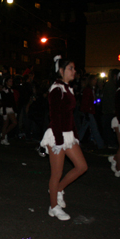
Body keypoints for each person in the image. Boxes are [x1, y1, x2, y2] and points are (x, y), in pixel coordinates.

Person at [40, 55, 88, 221]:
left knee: (82, 166)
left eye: (74, 68)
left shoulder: (68, 88)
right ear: (61, 71)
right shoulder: (56, 89)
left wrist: (74, 135)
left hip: (67, 134)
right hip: (56, 135)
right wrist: (59, 141)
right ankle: (53, 207)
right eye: (70, 68)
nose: (74, 71)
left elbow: (70, 115)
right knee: (56, 173)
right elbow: (55, 117)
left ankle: (58, 189)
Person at [78, 74, 105, 149]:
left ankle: (76, 141)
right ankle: (100, 145)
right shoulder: (88, 90)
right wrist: (87, 112)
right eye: (95, 80)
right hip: (88, 112)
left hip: (89, 111)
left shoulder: (91, 89)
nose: (96, 81)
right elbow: (86, 102)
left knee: (84, 129)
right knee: (94, 129)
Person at [0, 76, 17, 145]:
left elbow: (13, 102)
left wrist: (15, 110)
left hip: (10, 108)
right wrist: (4, 112)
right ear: (6, 82)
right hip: (6, 108)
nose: (11, 82)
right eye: (10, 81)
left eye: (12, 81)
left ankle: (3, 135)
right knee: (7, 123)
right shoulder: (4, 91)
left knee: (12, 123)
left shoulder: (11, 90)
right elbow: (3, 102)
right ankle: (3, 137)